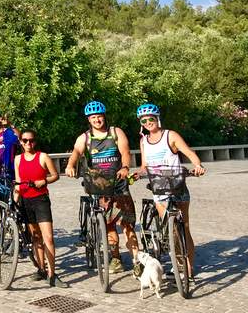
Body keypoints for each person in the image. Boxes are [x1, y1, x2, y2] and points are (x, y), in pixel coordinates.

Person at [65, 101, 140, 277]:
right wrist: (70, 165)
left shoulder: (116, 132)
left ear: (104, 117)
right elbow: (76, 151)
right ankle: (116, 258)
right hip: (99, 185)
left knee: (127, 224)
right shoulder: (85, 137)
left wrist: (125, 168)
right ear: (89, 120)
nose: (97, 120)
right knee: (108, 224)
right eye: (93, 117)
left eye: (99, 116)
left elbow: (125, 152)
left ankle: (137, 261)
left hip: (119, 183)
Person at [135, 103, 205, 280]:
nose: (148, 122)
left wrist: (198, 165)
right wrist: (138, 173)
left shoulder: (170, 136)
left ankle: (187, 271)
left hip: (177, 186)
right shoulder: (143, 141)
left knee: (184, 228)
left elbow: (189, 153)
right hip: (159, 189)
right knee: (171, 229)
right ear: (141, 123)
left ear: (157, 119)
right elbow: (144, 166)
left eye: (151, 119)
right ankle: (178, 263)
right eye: (144, 121)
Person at [15, 129, 68, 288]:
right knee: (36, 237)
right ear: (21, 142)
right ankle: (41, 269)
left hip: (41, 199)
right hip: (25, 201)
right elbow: (18, 182)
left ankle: (52, 275)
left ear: (35, 142)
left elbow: (55, 175)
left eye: (31, 140)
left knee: (48, 237)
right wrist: (14, 201)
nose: (28, 143)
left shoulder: (42, 157)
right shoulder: (18, 159)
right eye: (25, 141)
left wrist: (44, 181)